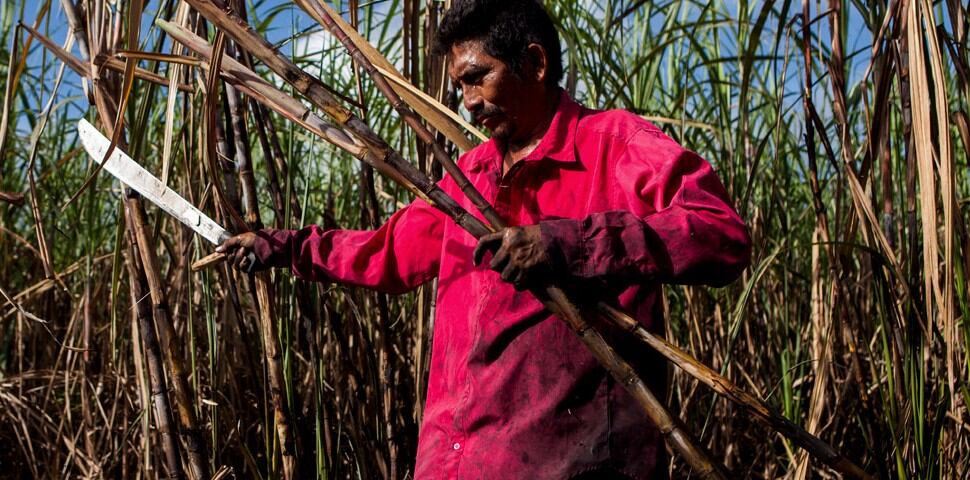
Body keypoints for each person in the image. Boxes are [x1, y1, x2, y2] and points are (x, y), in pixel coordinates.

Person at [217, 0, 751, 477]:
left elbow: (720, 234)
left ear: (535, 64)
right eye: (459, 86)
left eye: (478, 77)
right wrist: (282, 246)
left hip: (571, 463)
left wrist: (568, 244)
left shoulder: (615, 145)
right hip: (454, 463)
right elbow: (384, 253)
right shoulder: (466, 180)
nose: (467, 102)